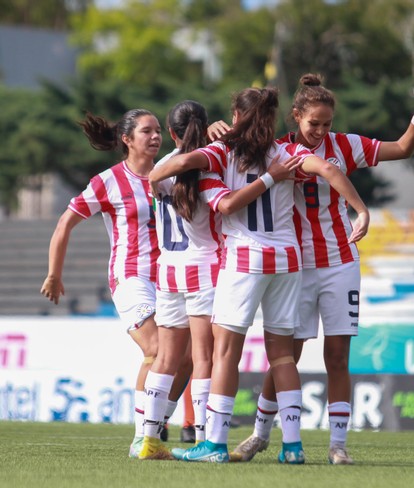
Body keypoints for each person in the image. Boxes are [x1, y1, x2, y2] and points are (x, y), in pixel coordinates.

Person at [148, 86, 369, 464]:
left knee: (225, 353)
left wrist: (217, 145)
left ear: (235, 117)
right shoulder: (287, 153)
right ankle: (294, 447)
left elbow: (162, 171)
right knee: (283, 356)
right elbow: (329, 168)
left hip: (247, 260)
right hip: (288, 259)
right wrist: (359, 209)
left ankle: (214, 444)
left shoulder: (220, 154)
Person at [230, 74, 414, 465]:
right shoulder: (278, 151)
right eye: (314, 123)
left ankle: (338, 445)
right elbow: (234, 147)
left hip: (340, 263)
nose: (320, 131)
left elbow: (401, 147)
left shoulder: (345, 144)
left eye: (327, 124)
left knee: (337, 355)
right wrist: (221, 127)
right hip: (297, 267)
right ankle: (260, 435)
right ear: (296, 116)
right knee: (287, 356)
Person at [139, 99, 301, 460]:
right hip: (213, 266)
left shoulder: (176, 164)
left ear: (170, 132)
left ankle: (146, 437)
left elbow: (156, 177)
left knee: (165, 357)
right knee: (206, 358)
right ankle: (206, 435)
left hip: (169, 269)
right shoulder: (232, 157)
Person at [40, 108, 191, 458]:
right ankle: (143, 438)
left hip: (169, 277)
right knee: (157, 350)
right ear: (127, 139)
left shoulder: (167, 175)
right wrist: (54, 273)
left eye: (158, 131)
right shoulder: (108, 181)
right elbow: (65, 223)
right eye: (146, 131)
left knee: (188, 358)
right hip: (130, 277)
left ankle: (156, 425)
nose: (155, 137)